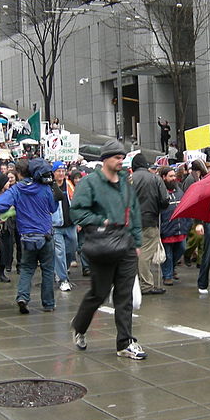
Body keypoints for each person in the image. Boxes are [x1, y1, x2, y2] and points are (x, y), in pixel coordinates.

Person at [70, 139, 145, 360]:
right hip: (103, 246)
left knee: (125, 296)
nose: (120, 161)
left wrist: (137, 241)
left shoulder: (125, 182)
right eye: (116, 157)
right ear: (105, 160)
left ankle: (125, 342)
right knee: (99, 293)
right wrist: (102, 221)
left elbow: (135, 211)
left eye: (122, 157)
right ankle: (79, 326)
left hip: (127, 246)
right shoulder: (90, 183)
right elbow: (77, 212)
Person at [0, 158, 57, 313]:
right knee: (47, 270)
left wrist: (15, 206)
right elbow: (53, 208)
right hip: (45, 234)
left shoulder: (17, 189)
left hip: (27, 236)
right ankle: (48, 304)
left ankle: (23, 297)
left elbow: (0, 205)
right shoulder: (44, 187)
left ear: (19, 173)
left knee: (27, 268)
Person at [131, 153, 169, 295]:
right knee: (145, 253)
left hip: (131, 222)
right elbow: (165, 200)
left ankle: (133, 282)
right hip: (150, 220)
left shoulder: (129, 179)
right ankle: (146, 284)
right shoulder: (155, 179)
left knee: (134, 252)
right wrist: (158, 207)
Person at [159, 166, 190, 285]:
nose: (173, 178)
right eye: (170, 176)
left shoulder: (179, 191)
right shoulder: (160, 192)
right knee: (167, 254)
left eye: (174, 176)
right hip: (166, 228)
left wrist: (187, 224)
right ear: (164, 177)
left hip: (180, 228)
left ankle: (170, 269)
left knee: (181, 249)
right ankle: (167, 275)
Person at [51, 161, 78, 292]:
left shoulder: (68, 185)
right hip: (56, 226)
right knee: (59, 252)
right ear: (54, 173)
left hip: (71, 224)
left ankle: (62, 269)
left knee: (72, 249)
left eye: (63, 171)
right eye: (58, 171)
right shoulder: (50, 186)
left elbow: (75, 201)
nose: (61, 173)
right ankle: (63, 279)